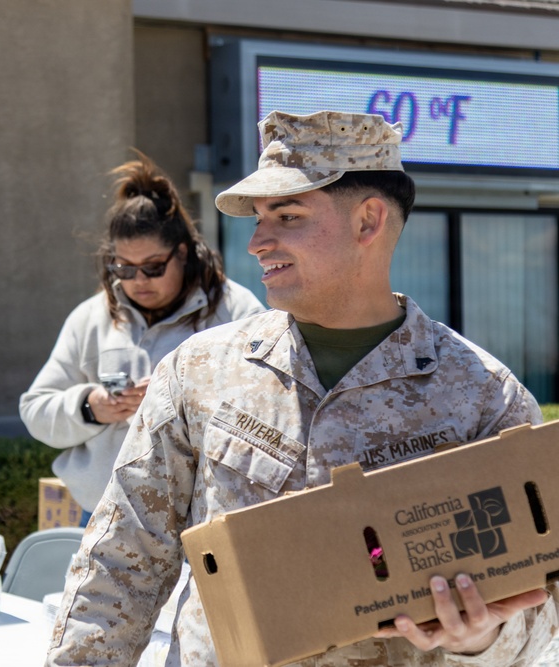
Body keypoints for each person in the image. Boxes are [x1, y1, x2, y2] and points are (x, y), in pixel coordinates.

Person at [46, 111, 559, 666]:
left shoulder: (485, 398)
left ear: (368, 221)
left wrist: (480, 639)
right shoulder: (200, 371)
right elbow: (121, 564)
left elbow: (542, 616)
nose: (257, 243)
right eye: (259, 219)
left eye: (286, 216)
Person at [19, 153, 264, 517]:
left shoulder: (236, 312)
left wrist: (184, 400)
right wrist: (90, 407)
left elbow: (268, 409)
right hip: (105, 514)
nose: (138, 281)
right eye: (124, 268)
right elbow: (34, 410)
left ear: (182, 253)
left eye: (152, 267)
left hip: (204, 516)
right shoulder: (91, 317)